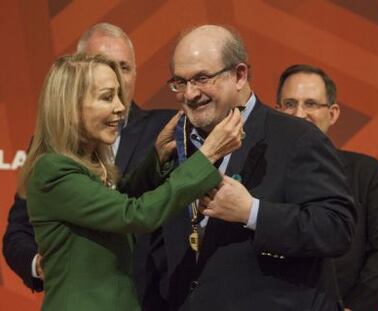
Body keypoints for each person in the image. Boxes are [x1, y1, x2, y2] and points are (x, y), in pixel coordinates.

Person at [141, 24, 356, 310]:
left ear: (239, 75)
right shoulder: (173, 142)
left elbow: (335, 228)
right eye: (180, 82)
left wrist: (252, 212)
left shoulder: (297, 137)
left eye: (202, 78)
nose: (190, 94)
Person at [20, 52, 243, 311]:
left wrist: (156, 159)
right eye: (106, 97)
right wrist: (208, 155)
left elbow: (115, 207)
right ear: (70, 106)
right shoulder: (53, 169)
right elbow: (134, 215)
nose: (120, 107)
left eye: (118, 95)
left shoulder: (87, 163)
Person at [3, 23, 175, 293]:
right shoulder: (52, 149)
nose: (116, 79)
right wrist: (41, 265)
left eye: (125, 68)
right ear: (77, 78)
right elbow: (19, 231)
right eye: (105, 65)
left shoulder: (166, 131)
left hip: (154, 300)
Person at [276, 64, 378, 311]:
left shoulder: (365, 173)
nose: (300, 114)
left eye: (311, 104)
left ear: (332, 113)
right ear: (278, 112)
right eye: (290, 104)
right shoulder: (257, 171)